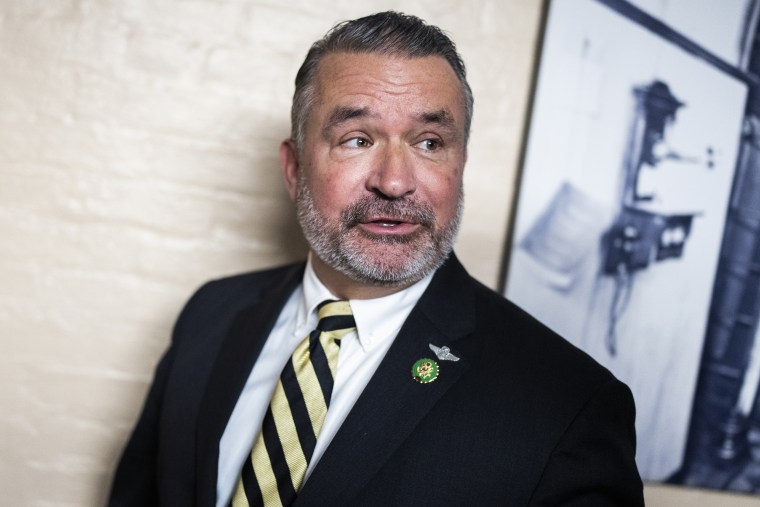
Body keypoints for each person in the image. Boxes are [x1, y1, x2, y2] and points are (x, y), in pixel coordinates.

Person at [109, 11, 644, 507]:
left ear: (461, 165)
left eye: (431, 143)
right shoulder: (211, 315)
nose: (394, 181)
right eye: (357, 138)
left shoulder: (569, 405)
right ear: (294, 168)